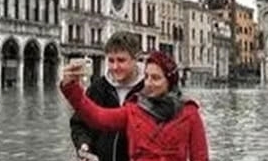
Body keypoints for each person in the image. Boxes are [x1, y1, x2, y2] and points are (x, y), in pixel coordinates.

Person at [61, 50, 209, 161]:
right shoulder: (133, 110)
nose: (149, 83)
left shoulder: (189, 112)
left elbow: (200, 157)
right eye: (146, 77)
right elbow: (97, 116)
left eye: (156, 78)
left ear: (169, 82)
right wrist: (71, 87)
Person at [70, 31, 146, 161]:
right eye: (111, 60)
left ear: (136, 59)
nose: (115, 67)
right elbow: (79, 123)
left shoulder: (149, 89)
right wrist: (83, 145)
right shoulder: (98, 87)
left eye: (121, 60)